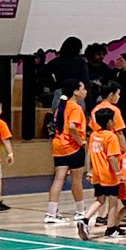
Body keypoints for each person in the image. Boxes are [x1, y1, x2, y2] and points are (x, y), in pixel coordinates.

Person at [43, 78, 90, 225]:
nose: (85, 91)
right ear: (75, 92)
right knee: (76, 180)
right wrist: (80, 141)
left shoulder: (61, 106)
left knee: (58, 179)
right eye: (83, 88)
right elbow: (71, 126)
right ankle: (80, 211)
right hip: (72, 147)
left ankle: (51, 213)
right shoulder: (75, 107)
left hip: (58, 146)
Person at [78, 104, 126, 240]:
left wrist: (89, 171)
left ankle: (85, 219)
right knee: (113, 201)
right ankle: (111, 228)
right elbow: (112, 157)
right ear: (110, 121)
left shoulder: (94, 136)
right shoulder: (111, 137)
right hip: (109, 174)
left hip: (98, 173)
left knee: (100, 199)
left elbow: (89, 155)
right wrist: (118, 173)